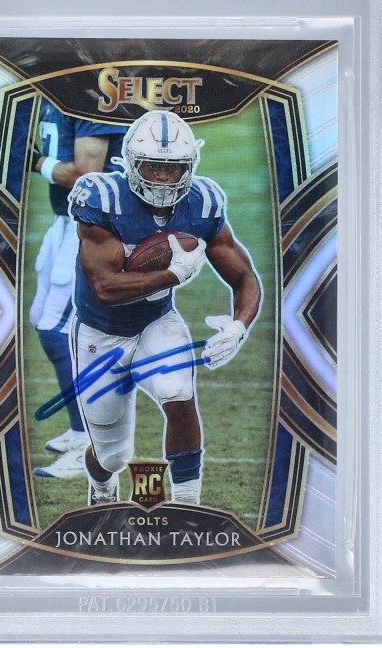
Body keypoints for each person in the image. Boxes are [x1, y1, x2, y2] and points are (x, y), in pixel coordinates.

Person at [67, 110, 262, 505]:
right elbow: (104, 288)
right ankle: (102, 488)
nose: (161, 178)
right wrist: (172, 275)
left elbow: (244, 276)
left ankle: (188, 504)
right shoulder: (102, 198)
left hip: (155, 322)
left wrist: (238, 326)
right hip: (100, 332)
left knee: (179, 394)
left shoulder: (202, 202)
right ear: (131, 163)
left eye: (172, 169)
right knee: (111, 455)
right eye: (152, 166)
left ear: (188, 167)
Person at [28, 101, 126, 479]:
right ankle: (79, 429)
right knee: (46, 323)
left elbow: (87, 173)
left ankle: (91, 443)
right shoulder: (54, 91)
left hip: (93, 228)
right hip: (66, 223)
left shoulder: (89, 92)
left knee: (60, 332)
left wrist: (35, 162)